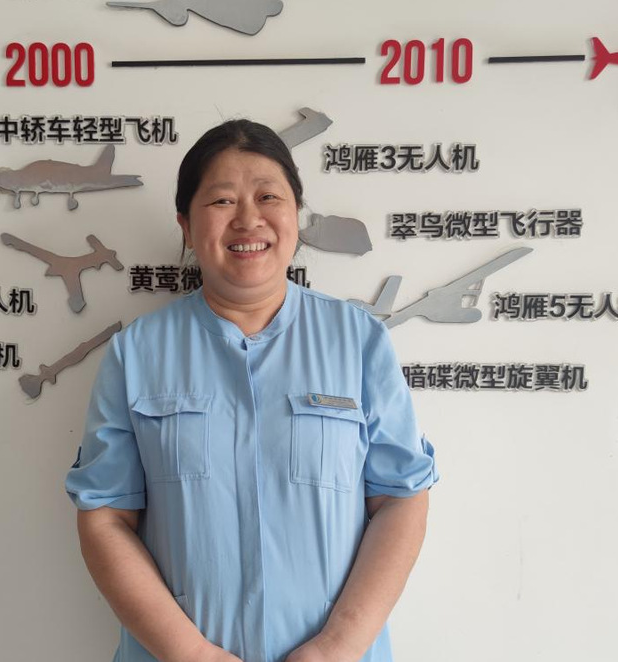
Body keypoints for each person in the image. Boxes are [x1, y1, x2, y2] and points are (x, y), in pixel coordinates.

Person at [66, 119, 439, 662]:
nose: (248, 219)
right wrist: (193, 654)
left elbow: (401, 499)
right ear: (186, 226)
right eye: (222, 200)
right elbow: (105, 517)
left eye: (268, 197)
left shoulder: (358, 341)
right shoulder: (137, 353)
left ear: (295, 216)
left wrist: (333, 650)